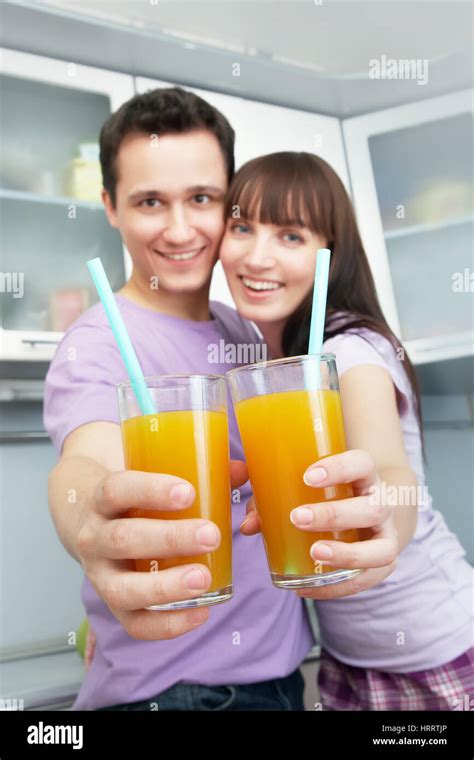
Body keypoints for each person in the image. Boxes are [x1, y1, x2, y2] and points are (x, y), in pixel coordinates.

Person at [44, 89, 400, 712]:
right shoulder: (97, 343)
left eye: (202, 199)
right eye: (150, 201)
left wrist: (385, 517)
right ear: (110, 207)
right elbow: (84, 464)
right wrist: (89, 525)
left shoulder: (250, 331)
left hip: (285, 676)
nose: (180, 230)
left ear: (229, 201)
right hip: (185, 694)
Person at [218, 151, 474, 711]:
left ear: (330, 254)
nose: (257, 256)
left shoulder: (348, 350)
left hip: (435, 647)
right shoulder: (272, 357)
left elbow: (387, 468)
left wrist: (384, 512)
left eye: (290, 236)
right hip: (348, 654)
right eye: (242, 227)